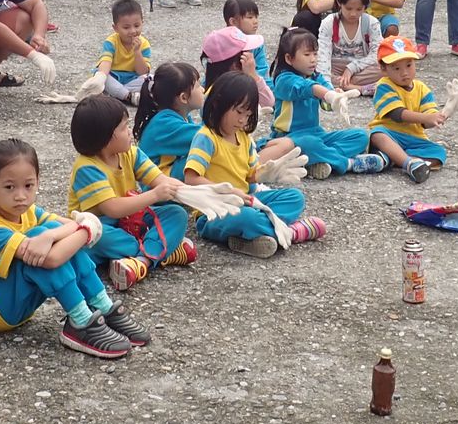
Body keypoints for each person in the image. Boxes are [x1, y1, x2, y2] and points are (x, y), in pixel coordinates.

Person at [0, 138, 149, 359]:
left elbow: (68, 225)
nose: (20, 196)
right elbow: (51, 259)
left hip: (15, 305)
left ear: (38, 181)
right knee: (40, 241)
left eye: (28, 186)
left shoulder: (29, 212)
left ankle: (103, 306)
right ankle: (80, 321)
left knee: (51, 234)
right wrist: (88, 228)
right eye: (9, 187)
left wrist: (54, 235)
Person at [182, 72, 324, 257]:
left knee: (295, 197)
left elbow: (249, 176)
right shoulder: (206, 137)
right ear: (217, 103)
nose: (242, 120)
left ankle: (253, 237)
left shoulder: (244, 137)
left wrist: (264, 174)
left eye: (248, 114)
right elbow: (191, 179)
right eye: (239, 112)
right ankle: (291, 232)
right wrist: (228, 191)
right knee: (247, 218)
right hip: (215, 210)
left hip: (246, 199)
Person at [67, 94, 195, 292]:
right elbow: (112, 209)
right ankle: (162, 252)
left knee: (176, 213)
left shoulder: (130, 153)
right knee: (97, 237)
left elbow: (160, 180)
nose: (129, 131)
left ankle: (140, 262)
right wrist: (155, 195)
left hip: (132, 221)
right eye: (124, 127)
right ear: (106, 137)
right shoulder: (87, 167)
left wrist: (201, 194)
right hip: (101, 225)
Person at [267, 27, 390, 180]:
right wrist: (328, 94)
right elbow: (307, 88)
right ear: (289, 58)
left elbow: (326, 101)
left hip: (316, 134)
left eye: (315, 53)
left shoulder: (315, 76)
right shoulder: (283, 80)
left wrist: (336, 98)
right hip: (289, 138)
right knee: (309, 144)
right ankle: (349, 163)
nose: (313, 59)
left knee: (360, 136)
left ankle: (320, 160)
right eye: (307, 54)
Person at [369, 35, 448, 182]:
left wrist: (442, 115)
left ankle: (394, 159)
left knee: (439, 152)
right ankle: (408, 163)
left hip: (414, 138)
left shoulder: (422, 88)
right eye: (396, 68)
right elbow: (397, 114)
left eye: (409, 65)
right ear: (384, 69)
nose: (404, 72)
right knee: (376, 135)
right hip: (390, 133)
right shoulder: (384, 85)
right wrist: (427, 117)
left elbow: (427, 122)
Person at [135, 61, 207, 180]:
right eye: (198, 86)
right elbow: (207, 138)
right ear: (184, 97)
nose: (203, 89)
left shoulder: (179, 116)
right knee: (206, 156)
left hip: (167, 176)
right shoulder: (165, 124)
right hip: (158, 184)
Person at [316, 0, 383, 91]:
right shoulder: (329, 22)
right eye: (348, 8)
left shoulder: (371, 23)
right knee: (313, 67)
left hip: (362, 66)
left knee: (386, 68)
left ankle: (344, 84)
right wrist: (326, 85)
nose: (353, 14)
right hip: (335, 66)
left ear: (365, 7)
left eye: (359, 9)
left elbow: (377, 53)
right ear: (339, 3)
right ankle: (360, 88)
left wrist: (351, 68)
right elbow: (324, 55)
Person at [201, 24, 277, 113]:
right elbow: (268, 102)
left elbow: (269, 102)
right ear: (234, 64)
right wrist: (253, 75)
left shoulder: (212, 85)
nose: (251, 55)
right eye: (246, 52)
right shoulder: (232, 89)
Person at [94, 0, 152, 103]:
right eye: (126, 27)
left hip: (133, 79)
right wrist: (101, 76)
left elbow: (142, 72)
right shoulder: (111, 42)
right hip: (114, 77)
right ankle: (128, 96)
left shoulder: (144, 44)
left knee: (152, 79)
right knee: (100, 75)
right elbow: (106, 62)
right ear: (115, 28)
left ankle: (118, 94)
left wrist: (137, 52)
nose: (133, 31)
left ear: (142, 22)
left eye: (137, 25)